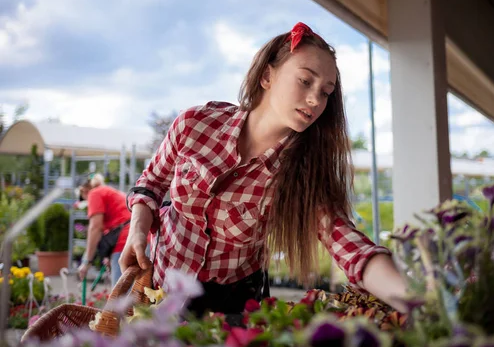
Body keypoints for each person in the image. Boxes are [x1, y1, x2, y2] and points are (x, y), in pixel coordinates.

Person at [120, 22, 409, 316]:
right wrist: (138, 230)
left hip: (229, 305)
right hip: (158, 282)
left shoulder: (302, 172)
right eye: (305, 81)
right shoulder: (195, 124)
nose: (315, 99)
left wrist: (415, 301)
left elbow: (348, 244)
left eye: (326, 92)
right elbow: (152, 182)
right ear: (267, 76)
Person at [77, 174, 131, 287]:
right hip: (140, 237)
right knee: (138, 294)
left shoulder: (94, 193)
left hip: (125, 241)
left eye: (83, 199)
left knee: (120, 296)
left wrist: (87, 262)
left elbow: (95, 228)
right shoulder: (110, 191)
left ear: (84, 191)